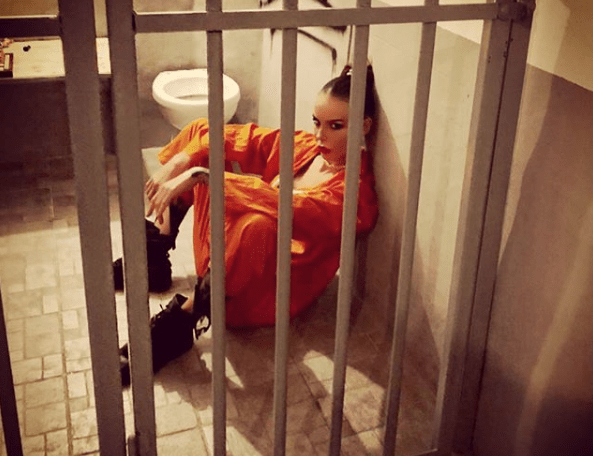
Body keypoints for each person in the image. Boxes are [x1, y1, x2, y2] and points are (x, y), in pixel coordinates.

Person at [117, 65, 379, 385]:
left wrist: (200, 177)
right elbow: (233, 137)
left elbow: (285, 206)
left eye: (335, 126)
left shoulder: (356, 197)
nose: (320, 135)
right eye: (317, 122)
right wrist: (182, 163)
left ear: (364, 126)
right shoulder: (308, 148)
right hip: (223, 260)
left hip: (260, 293)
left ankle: (179, 325)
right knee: (202, 135)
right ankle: (155, 256)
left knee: (259, 224)